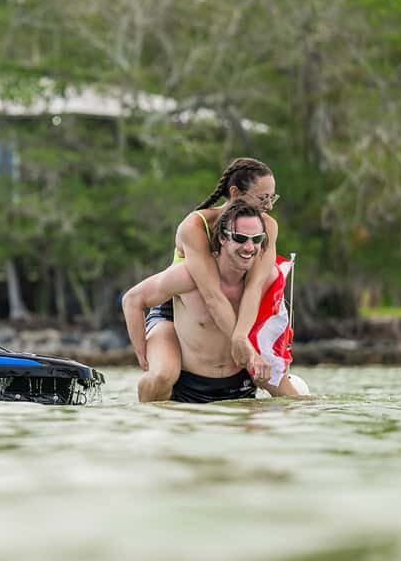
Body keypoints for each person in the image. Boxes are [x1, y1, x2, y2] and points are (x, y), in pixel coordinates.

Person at [122, 202, 301, 402]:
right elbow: (132, 300)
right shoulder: (187, 276)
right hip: (187, 387)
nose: (249, 247)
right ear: (222, 238)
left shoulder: (268, 280)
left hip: (239, 386)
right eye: (240, 238)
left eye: (257, 239)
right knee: (160, 377)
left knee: (292, 399)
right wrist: (142, 357)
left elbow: (273, 335)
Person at [136, 157, 283, 401]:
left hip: (228, 304)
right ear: (235, 193)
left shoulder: (268, 226)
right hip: (178, 307)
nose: (268, 206)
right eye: (262, 198)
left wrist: (241, 337)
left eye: (272, 198)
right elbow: (212, 294)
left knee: (266, 374)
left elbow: (254, 288)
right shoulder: (195, 226)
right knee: (163, 375)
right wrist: (142, 354)